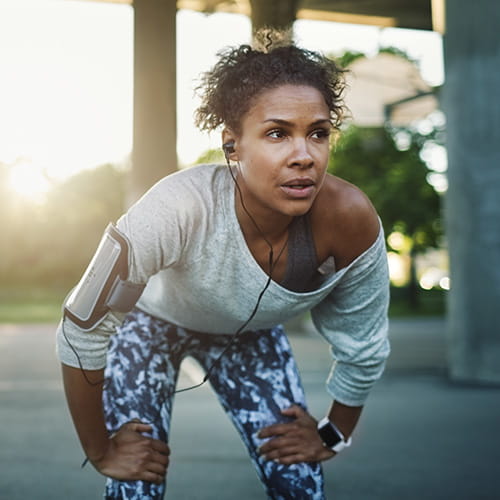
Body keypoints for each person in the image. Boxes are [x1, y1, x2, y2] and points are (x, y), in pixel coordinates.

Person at [56, 29, 390, 500]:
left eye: (317, 133)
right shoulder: (177, 207)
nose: (304, 156)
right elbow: (82, 325)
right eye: (277, 133)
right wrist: (100, 450)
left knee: (299, 482)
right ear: (233, 145)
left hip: (249, 337)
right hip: (151, 326)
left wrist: (333, 432)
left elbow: (364, 344)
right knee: (135, 485)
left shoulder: (349, 219)